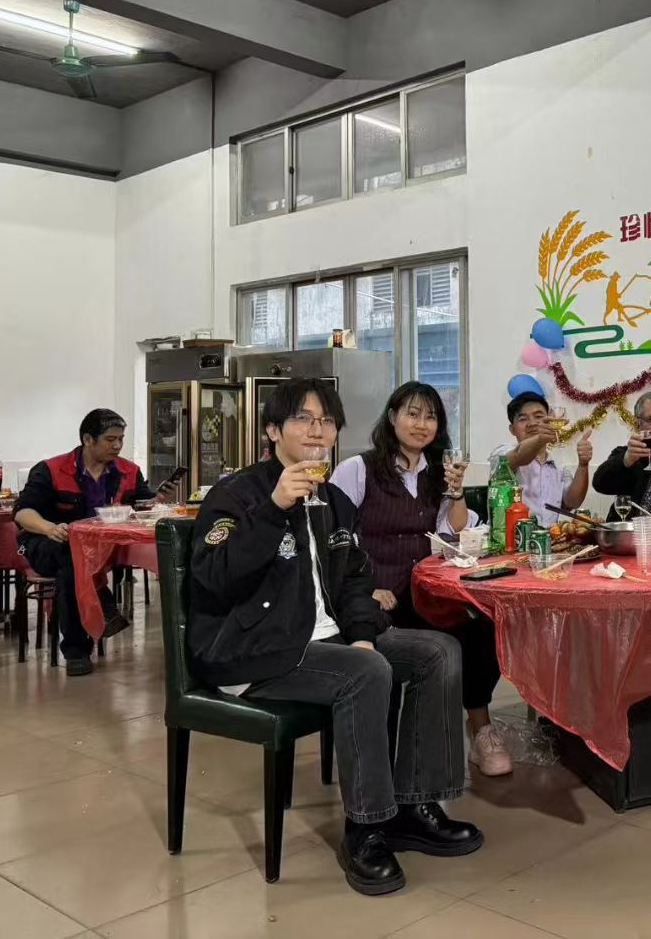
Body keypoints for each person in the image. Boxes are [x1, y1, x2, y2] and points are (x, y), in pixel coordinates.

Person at [190, 378, 481, 896]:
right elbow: (212, 579)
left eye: (326, 421)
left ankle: (414, 806)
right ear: (272, 430)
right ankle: (366, 829)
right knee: (365, 672)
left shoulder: (333, 500)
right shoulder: (236, 493)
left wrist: (363, 633)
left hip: (329, 641)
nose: (317, 430)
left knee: (438, 651)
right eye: (303, 419)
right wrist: (274, 508)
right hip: (257, 649)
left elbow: (355, 581)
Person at [331, 382, 512, 778]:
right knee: (442, 644)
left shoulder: (436, 474)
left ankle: (480, 731)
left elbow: (454, 530)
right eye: (412, 414)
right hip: (376, 596)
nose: (421, 424)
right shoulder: (357, 470)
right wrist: (364, 588)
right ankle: (407, 755)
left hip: (423, 592)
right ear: (392, 417)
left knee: (483, 624)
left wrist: (456, 492)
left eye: (431, 417)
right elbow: (333, 538)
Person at [14, 408, 180, 676]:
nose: (117, 446)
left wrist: (157, 500)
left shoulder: (128, 471)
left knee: (79, 557)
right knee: (70, 557)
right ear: (88, 439)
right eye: (110, 439)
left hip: (100, 547)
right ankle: (79, 646)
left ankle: (98, 617)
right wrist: (50, 528)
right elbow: (23, 513)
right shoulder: (51, 470)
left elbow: (141, 507)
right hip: (45, 542)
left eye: (121, 439)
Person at [489, 391, 593, 524]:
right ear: (512, 429)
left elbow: (572, 502)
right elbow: (519, 455)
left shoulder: (558, 464)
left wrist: (583, 465)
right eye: (523, 419)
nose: (532, 423)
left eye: (538, 417)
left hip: (548, 535)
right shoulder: (502, 453)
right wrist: (540, 438)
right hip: (509, 535)